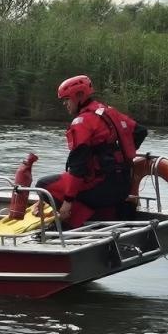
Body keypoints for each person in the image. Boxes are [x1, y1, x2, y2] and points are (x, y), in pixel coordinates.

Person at [35, 74, 147, 230]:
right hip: (122, 185)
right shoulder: (108, 112)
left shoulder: (83, 123)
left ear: (79, 96)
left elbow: (78, 168)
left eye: (67, 99)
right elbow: (141, 131)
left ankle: (69, 223)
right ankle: (108, 214)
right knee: (76, 184)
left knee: (43, 185)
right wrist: (122, 156)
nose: (65, 104)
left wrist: (67, 202)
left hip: (101, 187)